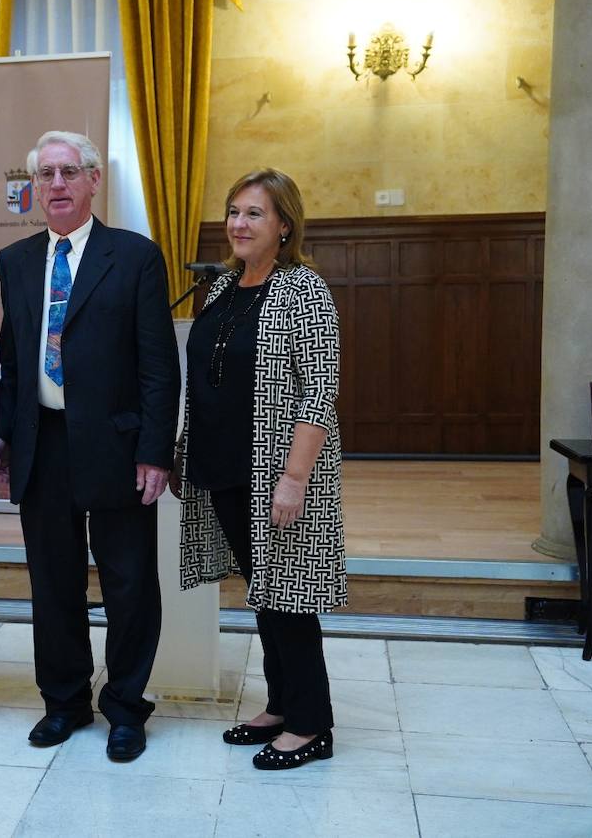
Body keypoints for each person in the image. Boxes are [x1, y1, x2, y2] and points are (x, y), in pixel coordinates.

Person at [0, 130, 180, 762]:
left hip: (118, 448)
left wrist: (155, 450)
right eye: (47, 175)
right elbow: (13, 360)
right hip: (43, 443)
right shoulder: (15, 261)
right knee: (54, 584)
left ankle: (125, 707)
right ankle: (64, 701)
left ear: (95, 180)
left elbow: (157, 366)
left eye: (70, 172)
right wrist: (0, 434)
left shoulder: (136, 256)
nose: (58, 185)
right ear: (34, 187)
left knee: (128, 585)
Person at [172, 167, 346, 771]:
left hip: (277, 472)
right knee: (264, 592)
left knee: (291, 598)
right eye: (234, 211)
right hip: (222, 467)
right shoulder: (222, 287)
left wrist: (294, 478)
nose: (238, 224)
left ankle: (311, 723)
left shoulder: (306, 290)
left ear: (284, 224)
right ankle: (280, 703)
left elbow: (319, 393)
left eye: (254, 214)